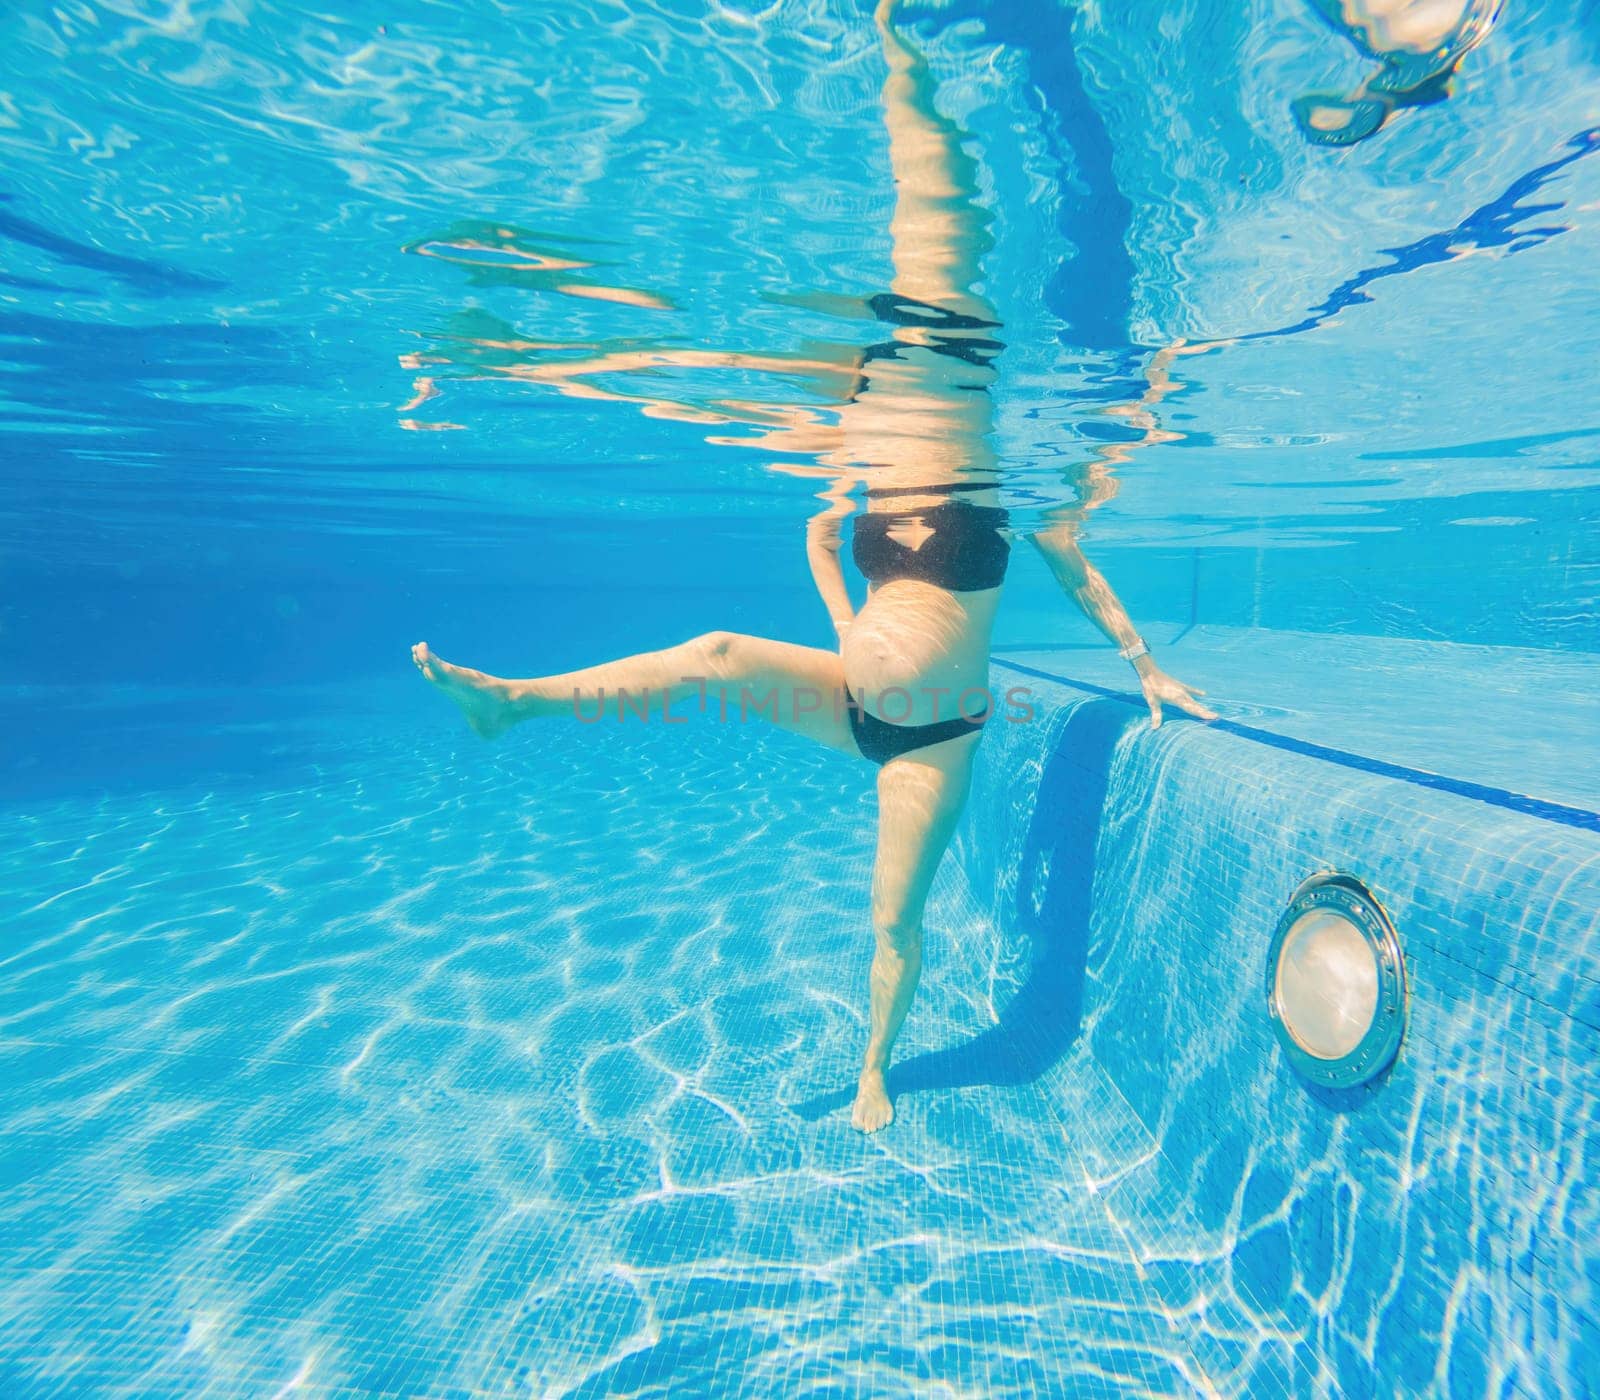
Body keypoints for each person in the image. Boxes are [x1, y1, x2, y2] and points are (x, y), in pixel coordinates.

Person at [411, 1, 1214, 1132]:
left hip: (923, 739)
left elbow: (1073, 561)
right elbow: (873, 618)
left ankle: (876, 1064)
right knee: (716, 649)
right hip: (850, 690)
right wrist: (830, 580)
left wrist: (1143, 665)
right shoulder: (876, 474)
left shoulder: (1003, 474)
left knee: (891, 921)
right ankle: (515, 705)